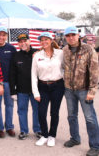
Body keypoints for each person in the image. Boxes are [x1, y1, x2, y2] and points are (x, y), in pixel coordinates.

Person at [62, 26, 99, 156]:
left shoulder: (88, 49)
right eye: (68, 36)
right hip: (69, 89)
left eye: (73, 35)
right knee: (71, 116)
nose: (70, 38)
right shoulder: (65, 50)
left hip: (84, 90)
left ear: (78, 35)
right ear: (65, 37)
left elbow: (94, 70)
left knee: (90, 118)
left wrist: (92, 90)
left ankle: (95, 146)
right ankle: (75, 138)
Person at [31, 32, 65, 147]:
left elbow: (66, 67)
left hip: (58, 86)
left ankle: (52, 136)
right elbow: (33, 75)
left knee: (54, 113)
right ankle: (44, 135)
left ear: (51, 40)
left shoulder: (61, 53)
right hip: (43, 87)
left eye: (46, 39)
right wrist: (35, 92)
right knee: (41, 112)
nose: (44, 41)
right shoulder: (37, 56)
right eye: (41, 40)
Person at [9, 33, 41, 140]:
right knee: (22, 110)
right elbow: (12, 74)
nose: (23, 43)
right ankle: (24, 130)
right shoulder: (16, 56)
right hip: (21, 90)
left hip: (36, 89)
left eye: (25, 41)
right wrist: (12, 91)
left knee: (37, 110)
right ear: (18, 44)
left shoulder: (38, 53)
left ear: (29, 41)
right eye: (20, 42)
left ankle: (38, 130)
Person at [0, 27, 17, 138]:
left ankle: (9, 127)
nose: (1, 37)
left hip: (9, 82)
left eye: (3, 35)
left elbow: (16, 64)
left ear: (6, 36)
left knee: (9, 105)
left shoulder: (11, 48)